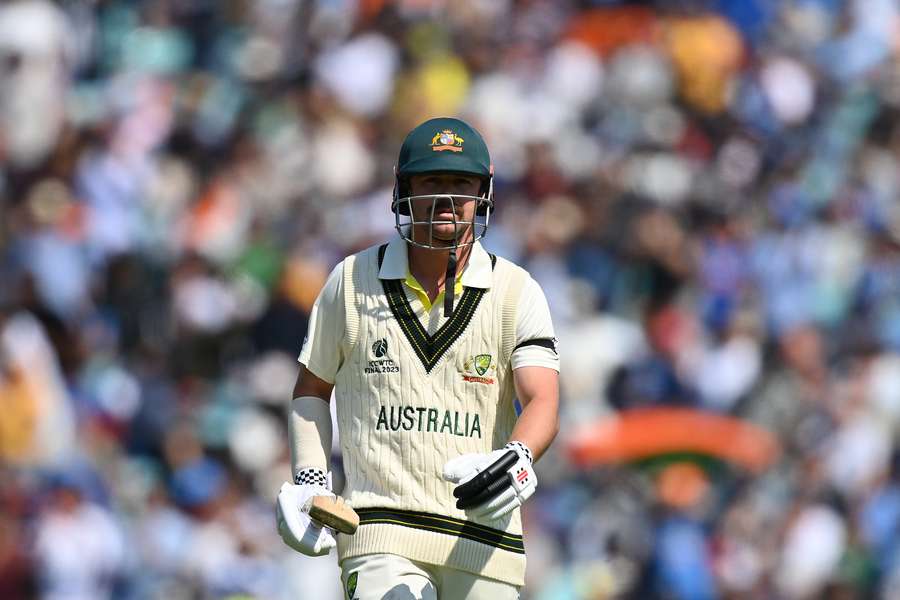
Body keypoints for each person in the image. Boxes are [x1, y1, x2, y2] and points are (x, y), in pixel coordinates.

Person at [276, 116, 560, 600]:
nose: (447, 198)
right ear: (404, 190)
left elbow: (542, 400)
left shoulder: (516, 291)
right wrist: (309, 479)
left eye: (461, 183)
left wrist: (519, 458)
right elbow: (312, 390)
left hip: (484, 538)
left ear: (483, 193)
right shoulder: (350, 281)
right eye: (431, 181)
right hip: (380, 529)